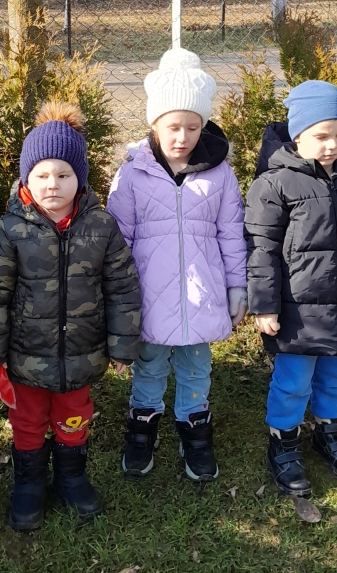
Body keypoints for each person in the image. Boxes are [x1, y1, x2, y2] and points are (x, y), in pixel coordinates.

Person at [0, 102, 142, 532]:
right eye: (42, 175)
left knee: (74, 416)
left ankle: (71, 476)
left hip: (82, 354)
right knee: (28, 421)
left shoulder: (101, 227)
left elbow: (122, 288)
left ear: (80, 178)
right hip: (26, 358)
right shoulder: (11, 230)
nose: (53, 184)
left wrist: (123, 346)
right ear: (26, 179)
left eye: (64, 175)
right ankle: (29, 482)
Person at [244, 79, 337, 497]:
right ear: (298, 134)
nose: (332, 145)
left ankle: (329, 431)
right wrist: (265, 306)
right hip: (296, 311)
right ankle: (283, 442)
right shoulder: (273, 184)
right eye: (321, 136)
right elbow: (261, 250)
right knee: (293, 382)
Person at [106, 47, 247, 483]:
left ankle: (195, 429)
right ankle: (142, 425)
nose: (182, 137)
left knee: (195, 367)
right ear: (154, 124)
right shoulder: (132, 175)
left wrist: (237, 287)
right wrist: (117, 300)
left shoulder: (220, 175)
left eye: (192, 126)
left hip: (201, 296)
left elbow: (231, 234)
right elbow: (118, 242)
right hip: (149, 298)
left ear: (203, 126)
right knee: (149, 364)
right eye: (172, 127)